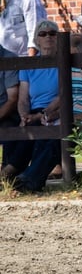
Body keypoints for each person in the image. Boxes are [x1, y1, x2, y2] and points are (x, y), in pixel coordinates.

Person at [3, 20, 61, 192]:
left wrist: (43, 114)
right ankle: (13, 174)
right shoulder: (29, 65)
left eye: (52, 33)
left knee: (44, 131)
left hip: (57, 110)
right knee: (20, 128)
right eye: (43, 34)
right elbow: (23, 98)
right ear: (37, 40)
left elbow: (65, 94)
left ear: (58, 38)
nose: (48, 37)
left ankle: (17, 175)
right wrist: (24, 115)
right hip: (34, 111)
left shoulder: (63, 61)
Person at [0, 43, 21, 177]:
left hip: (6, 113)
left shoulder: (9, 58)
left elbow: (12, 99)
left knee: (10, 128)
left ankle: (6, 175)